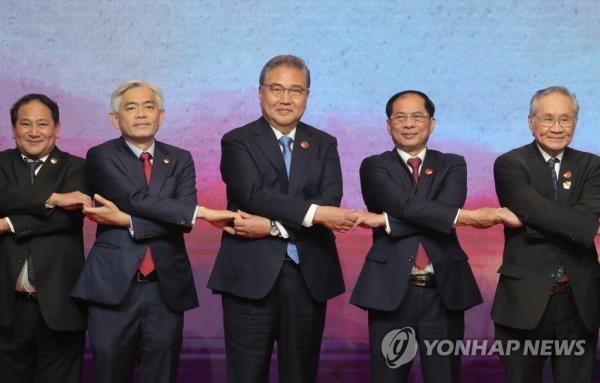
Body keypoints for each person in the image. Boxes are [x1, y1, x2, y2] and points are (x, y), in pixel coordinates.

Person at [71, 80, 237, 383]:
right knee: (110, 374)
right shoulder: (100, 155)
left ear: (160, 116)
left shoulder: (180, 158)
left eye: (149, 106)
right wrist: (200, 213)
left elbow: (180, 218)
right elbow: (135, 199)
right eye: (130, 107)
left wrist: (127, 221)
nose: (141, 114)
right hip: (113, 287)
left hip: (165, 288)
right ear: (114, 118)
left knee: (162, 374)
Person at [207, 54, 357, 383]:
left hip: (307, 276)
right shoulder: (238, 140)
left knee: (300, 374)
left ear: (307, 95)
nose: (285, 99)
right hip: (250, 275)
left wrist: (272, 226)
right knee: (246, 374)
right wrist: (312, 214)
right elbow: (252, 195)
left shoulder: (323, 143)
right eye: (276, 89)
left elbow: (329, 201)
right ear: (260, 92)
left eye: (295, 90)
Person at [350, 90, 513, 383]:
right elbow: (407, 207)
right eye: (400, 117)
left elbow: (441, 211)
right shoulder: (374, 165)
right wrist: (463, 217)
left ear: (432, 123)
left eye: (417, 116)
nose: (409, 124)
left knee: (444, 377)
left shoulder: (453, 163)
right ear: (389, 125)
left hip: (443, 291)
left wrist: (387, 221)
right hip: (391, 293)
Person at [492, 86, 600, 383]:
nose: (556, 128)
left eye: (565, 119)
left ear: (575, 123)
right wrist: (584, 227)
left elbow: (584, 215)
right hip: (523, 301)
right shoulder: (510, 163)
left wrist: (529, 220)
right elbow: (535, 209)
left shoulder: (593, 166)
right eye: (548, 118)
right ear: (531, 122)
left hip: (579, 301)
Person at [0, 94, 91, 383]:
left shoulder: (77, 167)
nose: (34, 132)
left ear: (57, 128)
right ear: (13, 129)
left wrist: (7, 222)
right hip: (7, 304)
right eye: (25, 124)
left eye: (42, 123)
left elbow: (68, 216)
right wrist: (53, 198)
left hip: (59, 302)